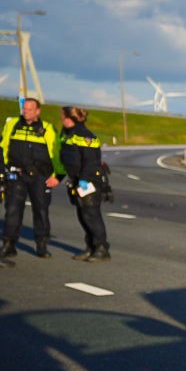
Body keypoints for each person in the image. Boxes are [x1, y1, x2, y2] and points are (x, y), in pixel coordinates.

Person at [1, 97, 64, 264]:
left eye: (29, 109)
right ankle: (8, 244)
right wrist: (3, 172)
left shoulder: (48, 129)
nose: (25, 111)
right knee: (13, 209)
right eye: (24, 108)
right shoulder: (12, 124)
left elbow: (57, 154)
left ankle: (41, 244)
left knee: (41, 210)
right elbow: (2, 147)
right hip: (16, 175)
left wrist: (57, 176)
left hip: (40, 177)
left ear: (38, 111)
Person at [59, 107, 110, 262]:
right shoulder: (68, 134)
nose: (61, 119)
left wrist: (84, 180)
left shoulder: (85, 136)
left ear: (69, 118)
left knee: (91, 215)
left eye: (62, 116)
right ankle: (91, 247)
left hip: (89, 181)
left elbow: (91, 161)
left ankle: (101, 248)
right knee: (83, 216)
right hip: (76, 180)